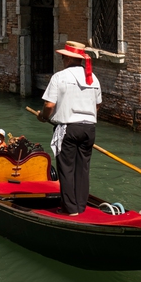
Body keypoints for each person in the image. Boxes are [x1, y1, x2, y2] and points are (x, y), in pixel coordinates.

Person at [38, 40, 102, 216]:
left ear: (67, 58)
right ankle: (80, 206)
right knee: (83, 169)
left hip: (69, 129)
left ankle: (70, 209)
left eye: (63, 57)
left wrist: (43, 117)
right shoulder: (93, 78)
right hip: (89, 129)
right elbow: (97, 106)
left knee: (66, 169)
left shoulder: (60, 77)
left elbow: (49, 105)